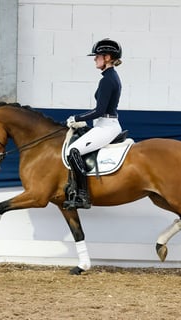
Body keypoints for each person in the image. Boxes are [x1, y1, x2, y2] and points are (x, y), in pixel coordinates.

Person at [63, 38, 123, 210]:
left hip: (106, 126)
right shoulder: (110, 77)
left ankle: (83, 195)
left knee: (73, 151)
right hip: (103, 124)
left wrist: (77, 118)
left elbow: (98, 110)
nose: (94, 59)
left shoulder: (107, 79)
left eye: (97, 56)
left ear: (107, 57)